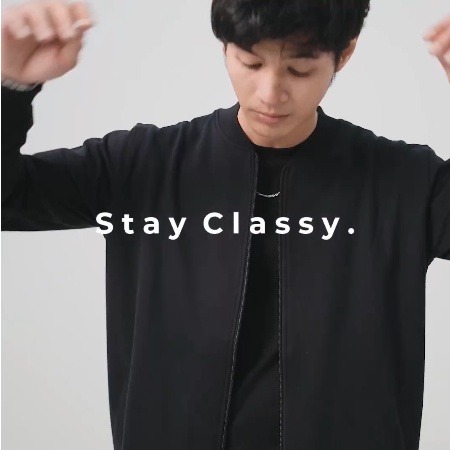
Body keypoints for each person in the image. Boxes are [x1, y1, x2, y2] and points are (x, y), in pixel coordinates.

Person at [2, 1, 449, 449]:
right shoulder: (143, 166)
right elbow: (10, 200)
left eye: (299, 70)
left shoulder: (406, 182)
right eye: (250, 63)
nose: (270, 93)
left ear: (344, 53)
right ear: (225, 47)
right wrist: (10, 89)